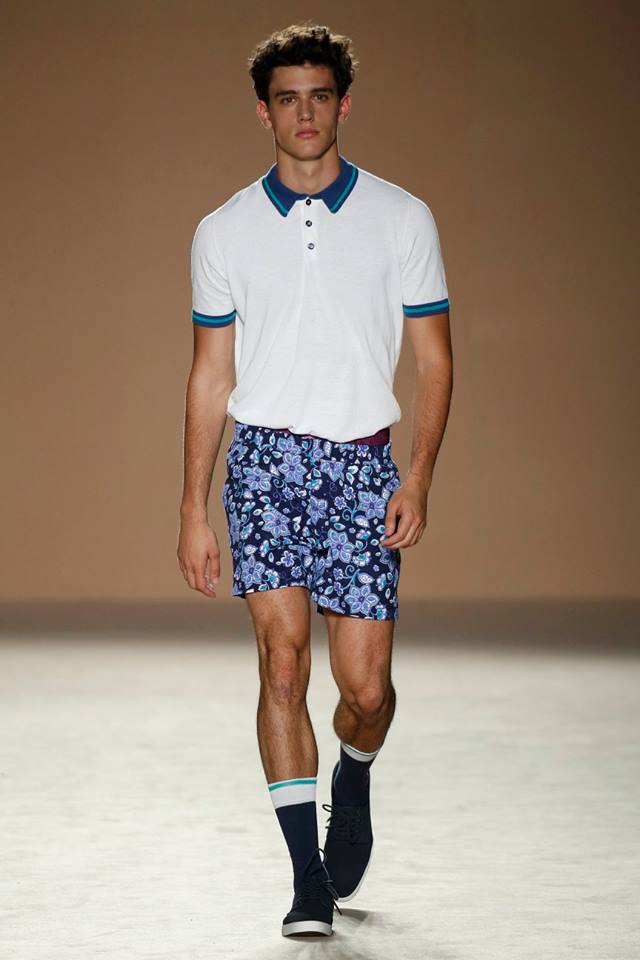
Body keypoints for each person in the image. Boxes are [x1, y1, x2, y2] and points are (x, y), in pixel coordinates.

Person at [177, 21, 453, 939]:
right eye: (287, 98)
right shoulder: (223, 230)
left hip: (362, 465)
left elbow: (435, 361)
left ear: (344, 104)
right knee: (282, 662)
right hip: (264, 466)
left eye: (320, 96)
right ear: (264, 111)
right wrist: (192, 506)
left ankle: (355, 775)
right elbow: (210, 374)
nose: (304, 113)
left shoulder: (401, 218)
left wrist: (417, 476)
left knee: (366, 691)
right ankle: (306, 877)